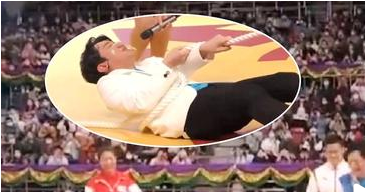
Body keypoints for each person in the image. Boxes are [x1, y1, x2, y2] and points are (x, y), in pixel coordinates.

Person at [80, 27, 299, 140]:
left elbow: (180, 69)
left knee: (278, 80)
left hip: (200, 95)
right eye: (109, 46)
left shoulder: (148, 64)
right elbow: (139, 103)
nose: (118, 43)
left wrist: (204, 49)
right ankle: (298, 131)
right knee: (248, 94)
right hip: (190, 116)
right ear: (103, 66)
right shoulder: (108, 84)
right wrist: (167, 65)